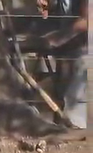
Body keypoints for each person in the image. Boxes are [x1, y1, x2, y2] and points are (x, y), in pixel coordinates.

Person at [37, 0, 88, 128]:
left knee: (79, 65)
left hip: (83, 47)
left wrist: (57, 38)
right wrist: (49, 5)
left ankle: (75, 124)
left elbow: (87, 20)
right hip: (67, 45)